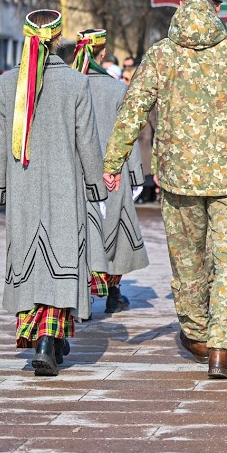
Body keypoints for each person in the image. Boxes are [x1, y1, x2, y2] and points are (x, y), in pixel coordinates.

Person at [101, 0, 227, 379]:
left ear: (182, 6)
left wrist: (113, 163)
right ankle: (220, 347)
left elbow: (133, 111)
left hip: (178, 176)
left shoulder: (161, 55)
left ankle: (196, 333)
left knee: (187, 261)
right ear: (217, 9)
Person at [0, 9, 109, 377]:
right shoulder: (75, 83)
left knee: (30, 259)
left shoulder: (6, 83)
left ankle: (44, 340)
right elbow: (87, 140)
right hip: (63, 185)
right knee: (61, 258)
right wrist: (97, 186)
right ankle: (48, 340)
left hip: (23, 187)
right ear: (59, 39)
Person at [72, 28, 150, 313]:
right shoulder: (117, 88)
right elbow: (127, 133)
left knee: (82, 234)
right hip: (113, 172)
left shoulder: (69, 85)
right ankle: (113, 294)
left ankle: (81, 298)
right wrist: (136, 175)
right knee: (114, 233)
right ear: (102, 53)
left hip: (78, 173)